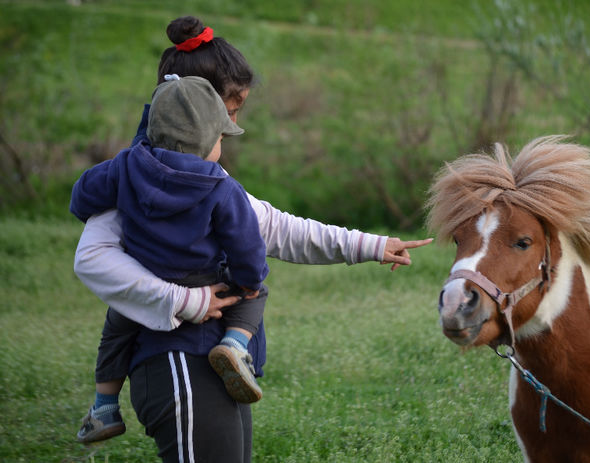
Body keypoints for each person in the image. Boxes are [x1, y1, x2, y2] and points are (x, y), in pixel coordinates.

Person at [73, 16, 433, 463]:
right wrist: (187, 301)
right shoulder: (135, 176)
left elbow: (275, 227)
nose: (231, 126)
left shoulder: (185, 177)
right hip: (176, 362)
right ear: (200, 107)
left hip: (207, 359)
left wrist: (370, 245)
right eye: (231, 112)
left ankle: (106, 403)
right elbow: (92, 259)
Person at [71, 74, 271, 444]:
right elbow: (248, 249)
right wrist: (248, 279)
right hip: (204, 282)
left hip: (147, 279)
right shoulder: (221, 187)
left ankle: (104, 407)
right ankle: (234, 345)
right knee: (254, 291)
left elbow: (82, 194)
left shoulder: (127, 165)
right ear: (210, 139)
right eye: (221, 137)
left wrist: (89, 206)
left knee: (116, 327)